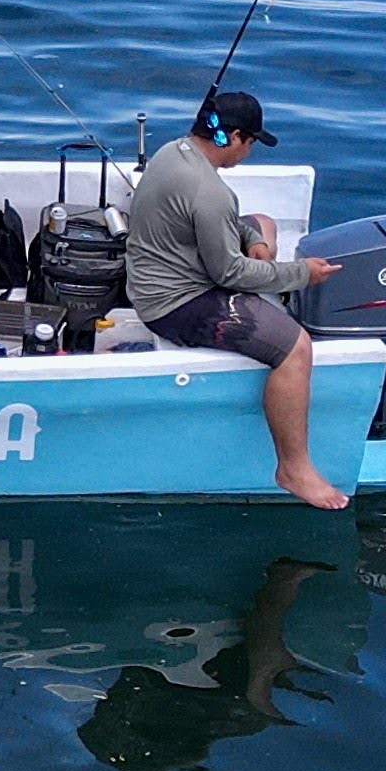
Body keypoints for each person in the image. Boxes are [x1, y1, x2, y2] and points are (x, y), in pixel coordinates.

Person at [122, 90, 348, 509]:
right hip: (175, 303)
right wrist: (301, 275)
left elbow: (216, 221)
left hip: (153, 270)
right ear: (236, 136)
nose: (249, 154)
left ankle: (269, 271)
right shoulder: (209, 193)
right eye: (251, 144)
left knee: (261, 222)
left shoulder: (174, 152)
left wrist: (255, 239)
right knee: (295, 348)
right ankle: (293, 468)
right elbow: (229, 273)